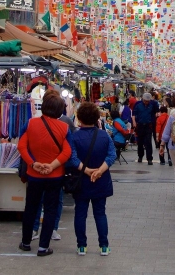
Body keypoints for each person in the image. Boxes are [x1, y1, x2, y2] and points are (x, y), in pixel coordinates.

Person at [18, 92, 71, 256]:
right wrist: (52, 165)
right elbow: (68, 151)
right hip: (55, 176)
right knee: (50, 210)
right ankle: (43, 247)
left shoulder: (30, 124)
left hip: (34, 175)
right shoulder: (65, 127)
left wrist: (33, 163)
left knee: (31, 208)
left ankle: (26, 242)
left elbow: (21, 147)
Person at [67, 102, 115, 256]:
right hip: (101, 181)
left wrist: (86, 170)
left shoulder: (74, 136)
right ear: (96, 118)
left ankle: (81, 246)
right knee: (100, 213)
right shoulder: (104, 136)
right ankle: (104, 246)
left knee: (80, 213)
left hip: (81, 180)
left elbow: (72, 157)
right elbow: (112, 155)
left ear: (79, 118)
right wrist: (99, 171)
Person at [132, 93, 159, 165]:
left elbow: (157, 112)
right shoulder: (138, 104)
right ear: (143, 99)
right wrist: (134, 122)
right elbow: (134, 114)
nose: (146, 102)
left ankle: (149, 158)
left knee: (148, 142)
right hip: (140, 125)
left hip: (148, 125)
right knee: (140, 142)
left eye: (148, 101)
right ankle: (140, 156)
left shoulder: (153, 104)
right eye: (145, 101)